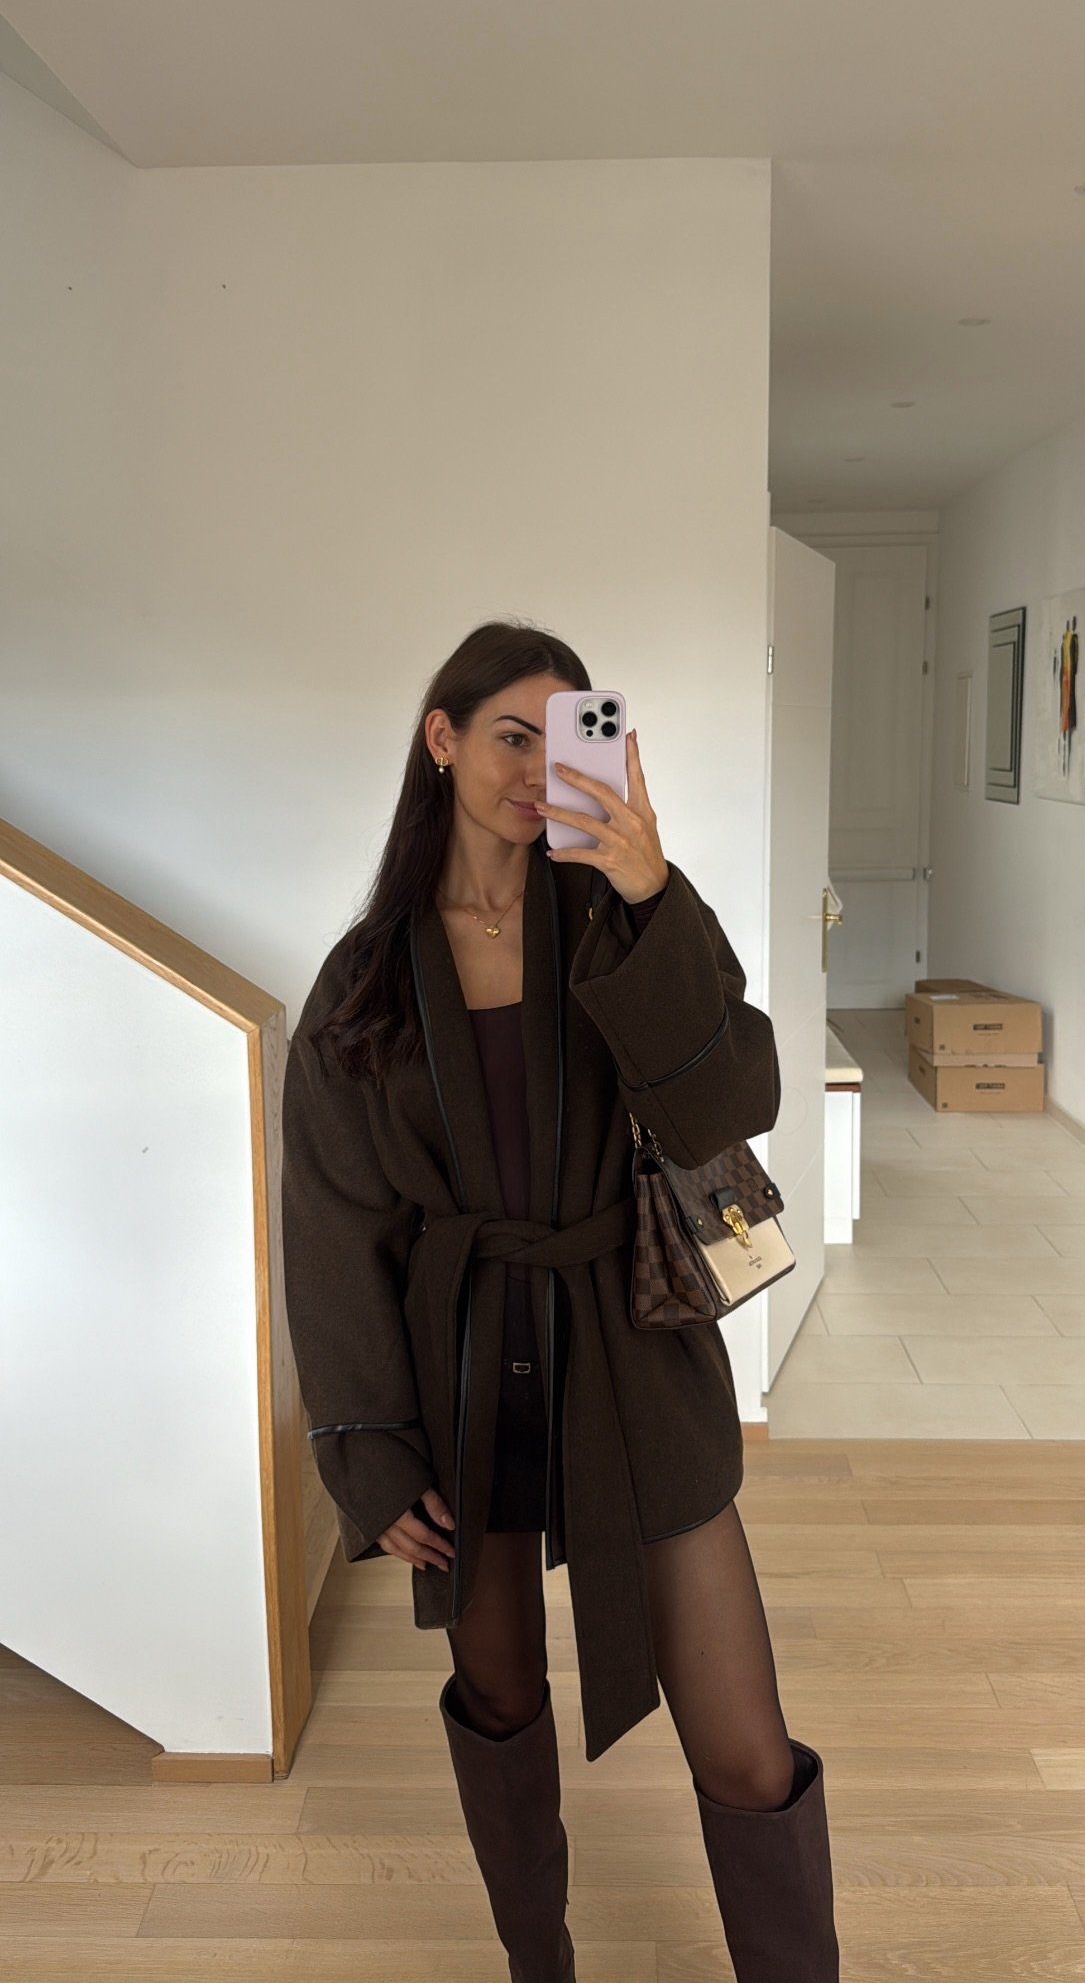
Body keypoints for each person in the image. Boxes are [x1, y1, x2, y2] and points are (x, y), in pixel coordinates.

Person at [281, 620, 840, 1981]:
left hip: (631, 1352)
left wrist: (649, 893)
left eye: (567, 738)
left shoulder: (614, 917)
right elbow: (338, 1229)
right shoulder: (363, 980)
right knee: (499, 1698)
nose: (538, 770)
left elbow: (733, 1100)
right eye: (510, 737)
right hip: (461, 1369)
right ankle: (541, 1963)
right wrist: (366, 1447)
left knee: (746, 1745)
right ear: (442, 739)